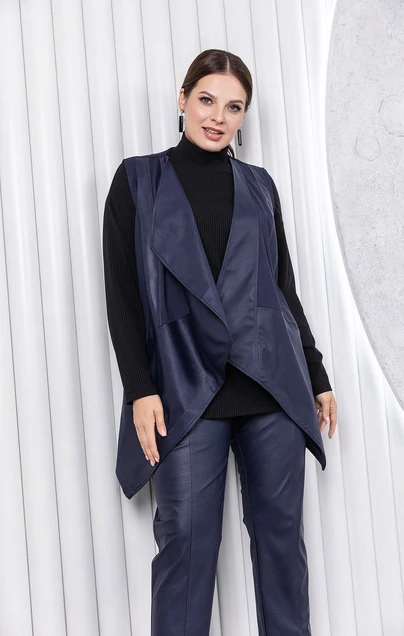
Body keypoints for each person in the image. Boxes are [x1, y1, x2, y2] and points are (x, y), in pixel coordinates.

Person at [103, 48, 337, 636]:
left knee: (282, 542)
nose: (218, 117)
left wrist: (316, 373)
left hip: (270, 384)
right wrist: (139, 388)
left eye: (234, 107)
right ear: (183, 99)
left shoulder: (260, 186)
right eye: (207, 100)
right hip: (183, 385)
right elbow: (122, 294)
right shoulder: (137, 180)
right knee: (184, 543)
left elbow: (281, 287)